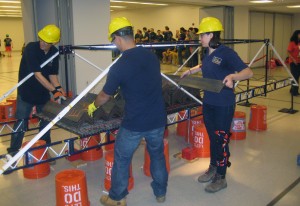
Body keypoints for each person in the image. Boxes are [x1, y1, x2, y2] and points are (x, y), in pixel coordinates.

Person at [87, 17, 168, 206]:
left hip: (135, 123)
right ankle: (160, 193)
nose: (114, 44)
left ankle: (117, 198)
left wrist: (93, 105)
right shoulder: (151, 56)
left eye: (113, 40)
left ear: (117, 38)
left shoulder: (119, 67)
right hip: (157, 119)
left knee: (122, 159)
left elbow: (105, 96)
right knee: (157, 155)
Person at [181, 17, 253, 193]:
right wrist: (192, 70)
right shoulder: (207, 53)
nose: (200, 39)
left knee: (221, 140)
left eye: (202, 35)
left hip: (223, 104)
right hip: (209, 102)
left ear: (211, 35)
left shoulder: (227, 53)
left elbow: (248, 71)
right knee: (213, 138)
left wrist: (233, 77)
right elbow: (205, 64)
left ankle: (221, 176)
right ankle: (213, 167)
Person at [6, 25, 66, 161]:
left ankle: (44, 150)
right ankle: (13, 152)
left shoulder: (54, 52)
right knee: (21, 121)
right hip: (26, 92)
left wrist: (59, 89)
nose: (43, 43)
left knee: (46, 121)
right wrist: (54, 91)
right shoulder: (31, 48)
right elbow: (38, 75)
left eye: (47, 41)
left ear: (54, 42)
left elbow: (52, 75)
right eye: (42, 39)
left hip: (42, 94)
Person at [287, 30, 300, 96]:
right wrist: (293, 59)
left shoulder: (299, 43)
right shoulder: (292, 43)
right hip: (293, 62)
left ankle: (292, 89)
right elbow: (288, 52)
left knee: (297, 76)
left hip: (299, 61)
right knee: (295, 76)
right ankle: (294, 92)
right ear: (296, 35)